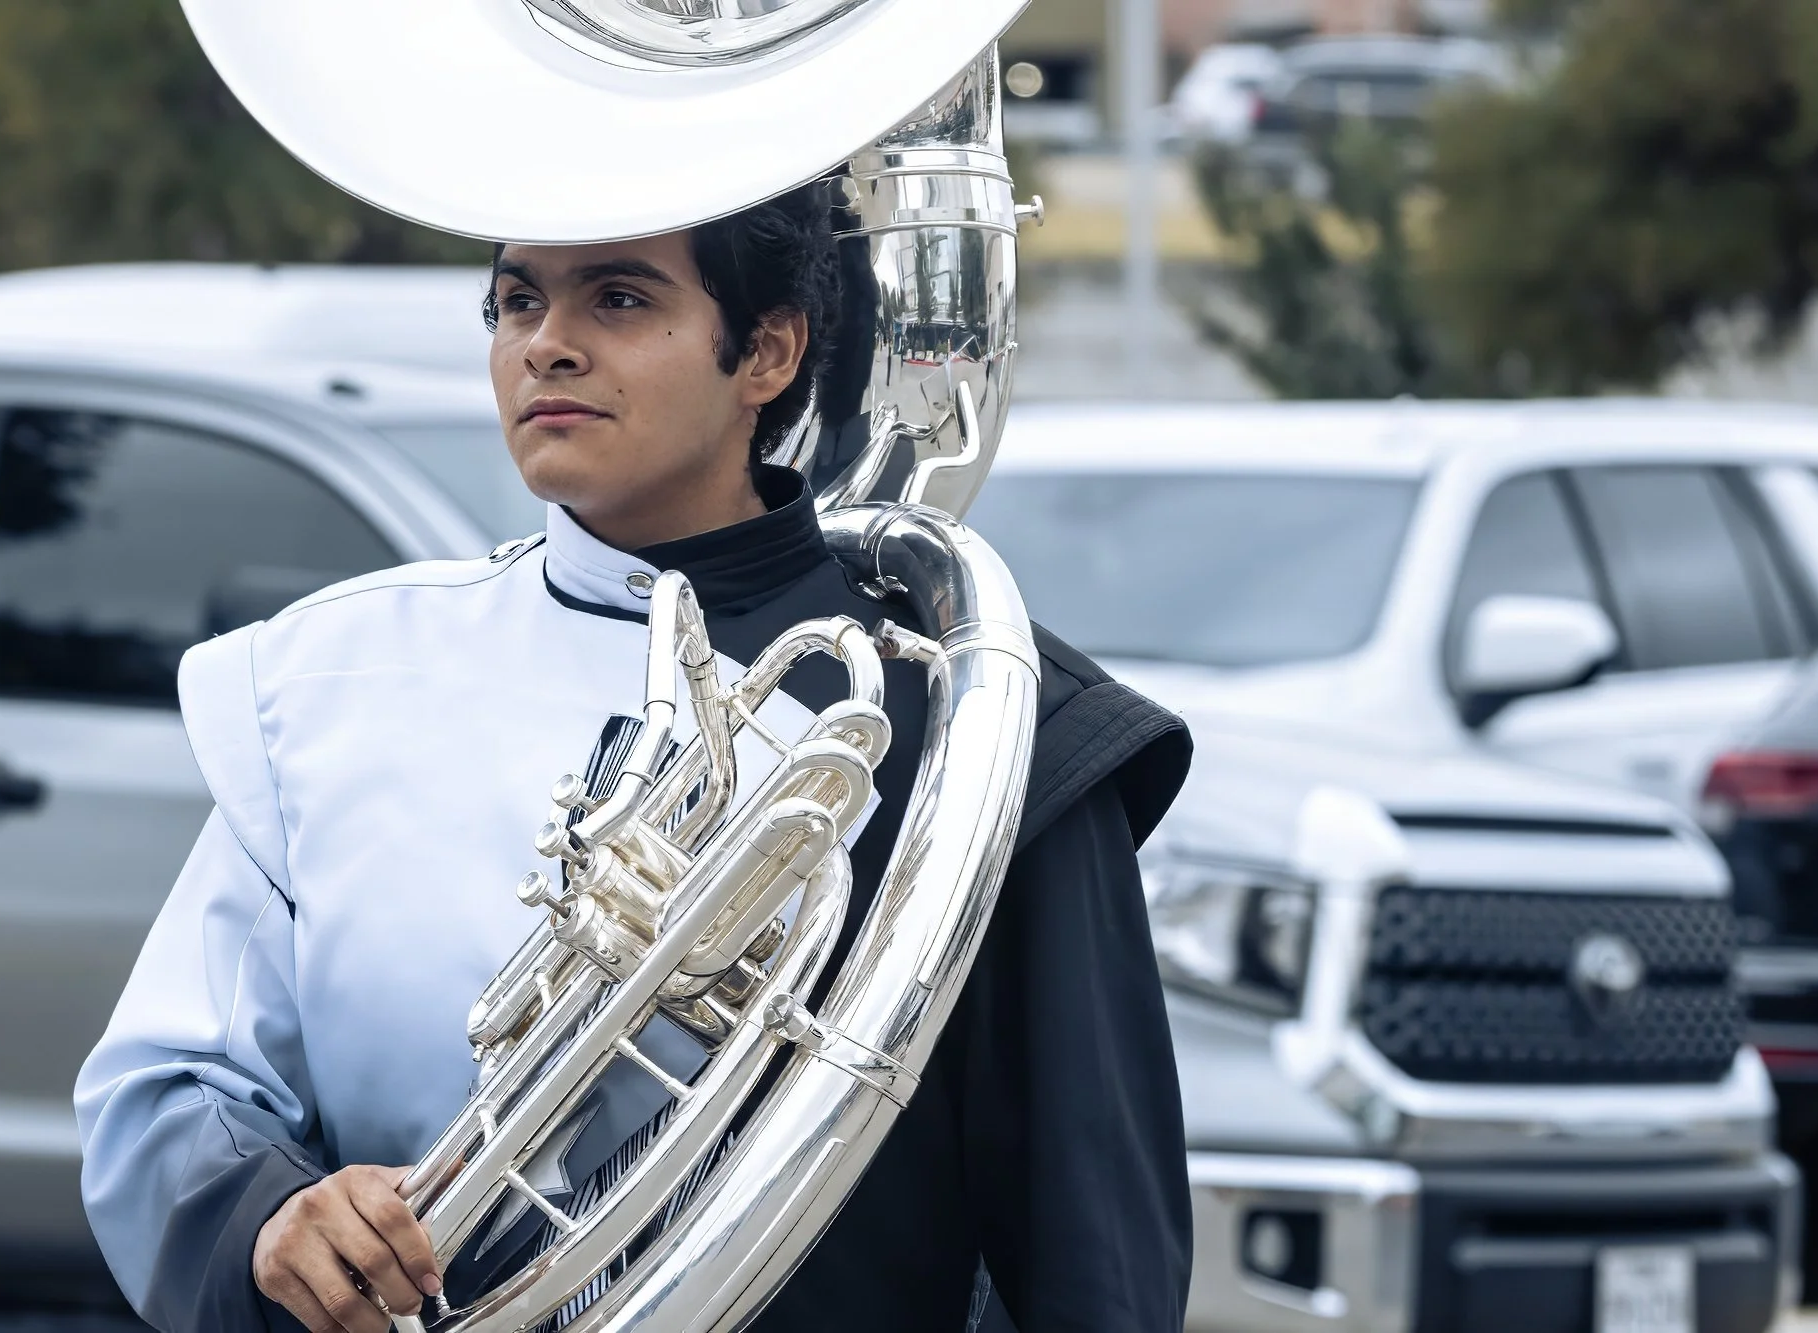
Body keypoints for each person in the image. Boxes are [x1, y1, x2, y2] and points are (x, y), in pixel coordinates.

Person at [75, 182, 1193, 1333]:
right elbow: (169, 1095)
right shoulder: (327, 678)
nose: (546, 345)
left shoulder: (974, 724)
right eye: (518, 301)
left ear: (766, 351)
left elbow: (1094, 1256)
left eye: (617, 299)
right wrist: (271, 1216)